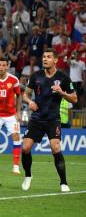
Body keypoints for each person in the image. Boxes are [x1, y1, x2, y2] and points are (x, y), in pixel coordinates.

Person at [22, 48, 77, 192]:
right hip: (37, 119)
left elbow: (74, 98)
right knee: (25, 148)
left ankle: (63, 183)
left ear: (55, 60)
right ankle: (28, 176)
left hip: (53, 120)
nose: (44, 59)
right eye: (44, 57)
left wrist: (62, 92)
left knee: (56, 148)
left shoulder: (63, 78)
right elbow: (25, 95)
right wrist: (30, 102)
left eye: (48, 57)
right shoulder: (35, 76)